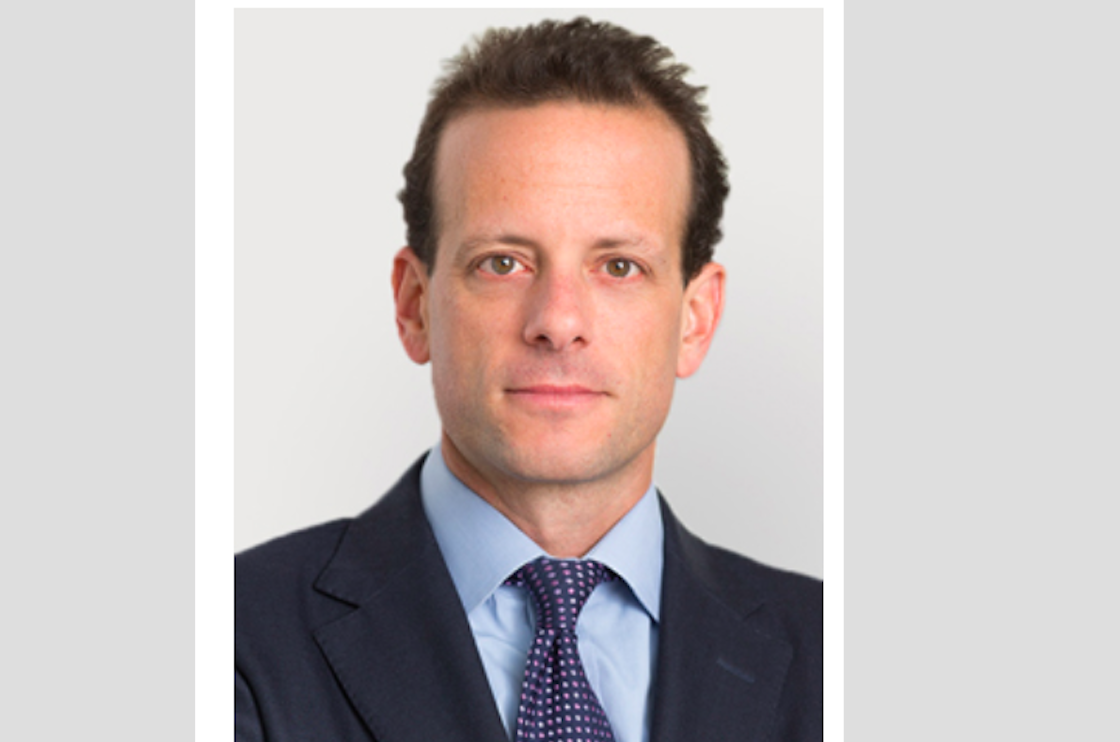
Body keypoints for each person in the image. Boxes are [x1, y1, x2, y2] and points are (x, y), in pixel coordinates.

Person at [236, 17, 821, 742]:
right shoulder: (231, 636)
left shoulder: (833, 655)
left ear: (695, 320)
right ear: (414, 307)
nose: (557, 321)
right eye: (503, 263)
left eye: (619, 266)